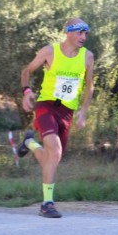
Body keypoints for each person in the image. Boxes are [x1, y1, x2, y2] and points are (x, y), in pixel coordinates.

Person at [18, 17, 94, 218]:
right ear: (69, 32)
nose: (83, 37)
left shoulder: (88, 57)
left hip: (67, 112)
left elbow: (90, 86)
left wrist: (83, 111)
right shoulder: (49, 52)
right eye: (80, 32)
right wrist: (27, 92)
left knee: (52, 159)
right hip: (47, 106)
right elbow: (26, 71)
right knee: (56, 149)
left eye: (85, 33)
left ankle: (30, 143)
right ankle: (47, 204)